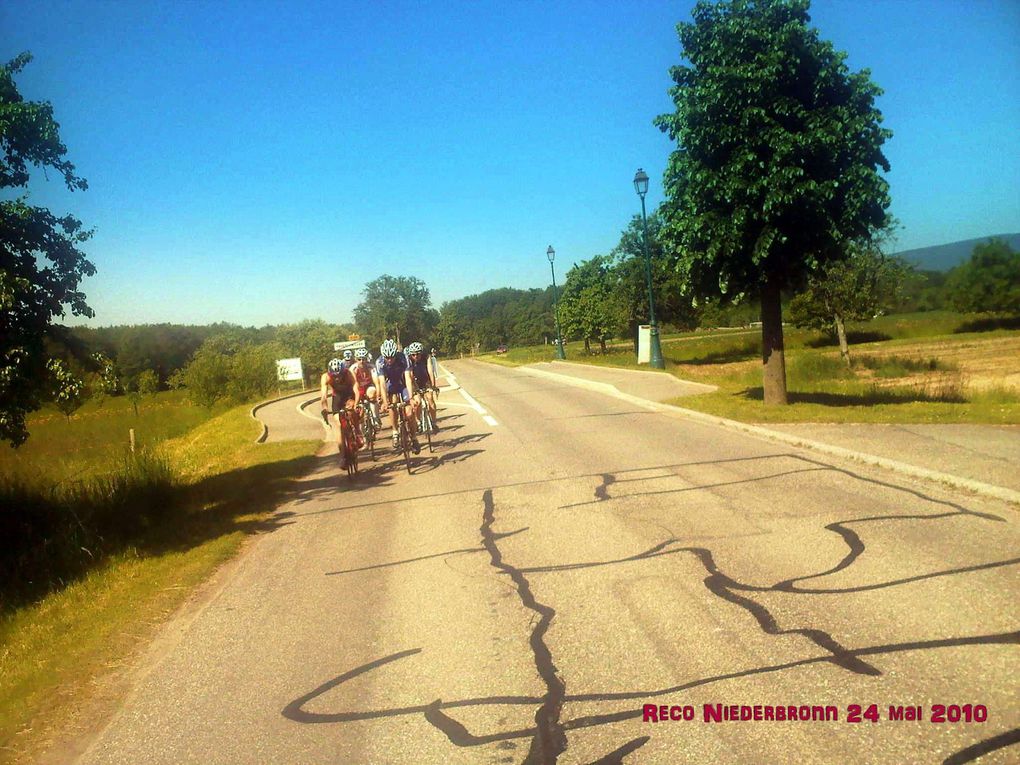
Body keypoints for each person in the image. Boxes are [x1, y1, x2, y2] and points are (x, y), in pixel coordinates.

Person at [376, 339, 420, 454]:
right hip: (390, 383)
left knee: (409, 412)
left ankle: (414, 438)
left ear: (396, 354)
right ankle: (395, 432)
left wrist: (410, 398)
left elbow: (408, 379)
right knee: (392, 405)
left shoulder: (403, 358)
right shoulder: (380, 362)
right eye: (387, 357)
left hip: (402, 383)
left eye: (392, 357)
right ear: (383, 356)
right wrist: (385, 402)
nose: (389, 360)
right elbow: (382, 383)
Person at [320, 357, 361, 469]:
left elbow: (356, 390)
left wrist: (356, 403)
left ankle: (357, 432)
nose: (337, 378)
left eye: (339, 375)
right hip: (337, 398)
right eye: (335, 376)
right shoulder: (326, 377)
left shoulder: (349, 374)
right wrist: (324, 408)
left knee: (351, 411)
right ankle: (343, 455)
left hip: (349, 395)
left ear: (343, 371)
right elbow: (323, 396)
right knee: (338, 424)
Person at [405, 341, 438, 430]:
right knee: (417, 402)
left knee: (430, 399)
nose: (416, 357)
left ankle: (434, 422)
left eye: (418, 354)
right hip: (415, 381)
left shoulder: (426, 357)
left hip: (425, 380)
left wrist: (433, 386)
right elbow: (410, 376)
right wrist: (413, 392)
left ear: (421, 353)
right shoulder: (409, 360)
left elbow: (431, 371)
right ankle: (418, 421)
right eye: (413, 355)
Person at [349, 347, 381, 428]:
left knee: (372, 393)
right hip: (358, 388)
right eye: (359, 359)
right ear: (356, 359)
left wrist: (378, 396)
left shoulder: (371, 367)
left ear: (367, 359)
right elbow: (354, 384)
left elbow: (377, 382)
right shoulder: (353, 368)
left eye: (364, 359)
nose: (362, 361)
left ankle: (375, 417)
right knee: (357, 406)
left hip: (368, 387)